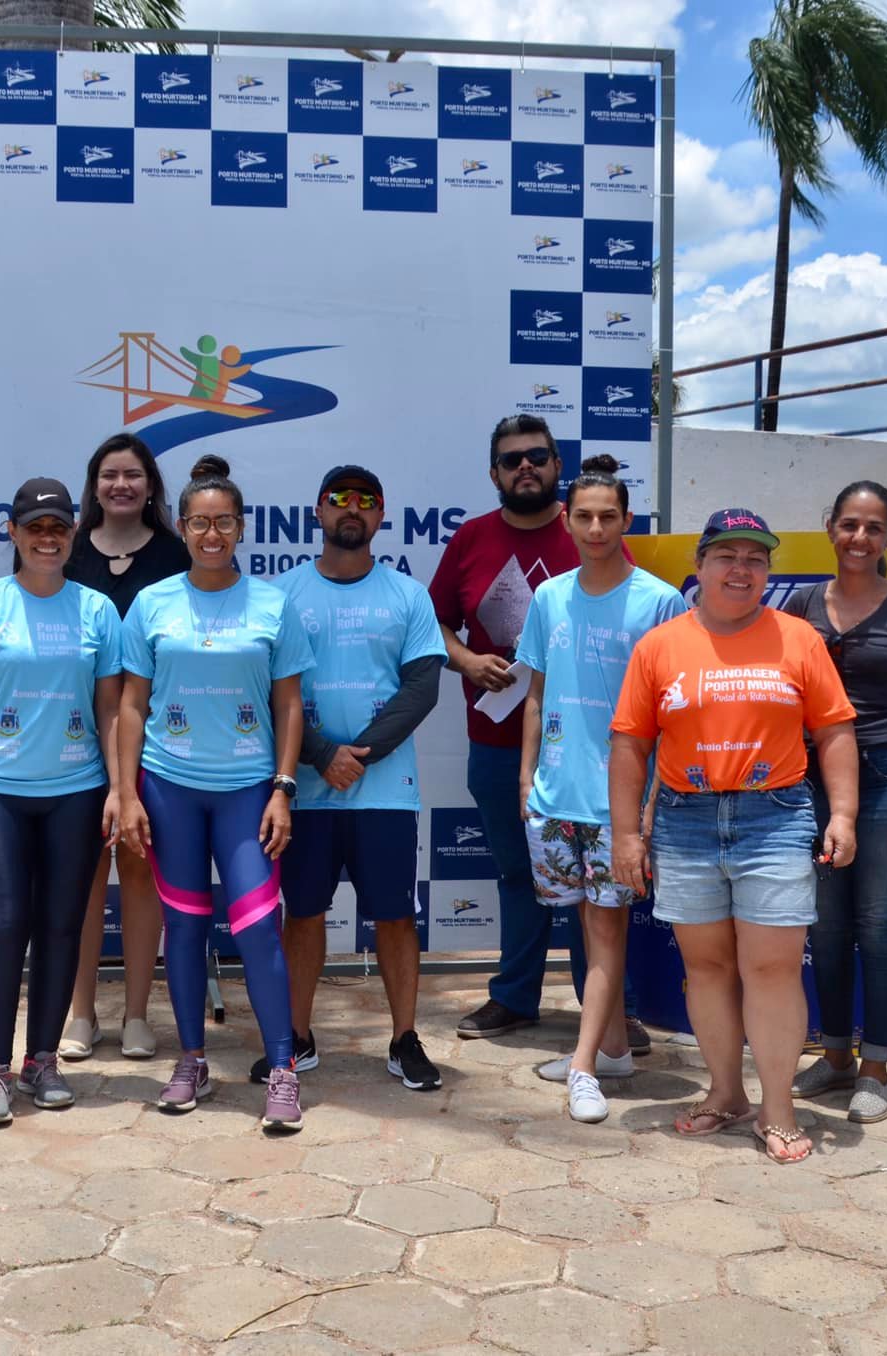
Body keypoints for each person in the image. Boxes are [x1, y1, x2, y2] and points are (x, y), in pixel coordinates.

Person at [609, 508, 858, 1164]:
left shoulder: (799, 639)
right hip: (686, 821)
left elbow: (834, 730)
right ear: (700, 567)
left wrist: (844, 814)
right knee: (708, 968)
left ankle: (778, 1108)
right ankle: (726, 1095)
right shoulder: (660, 646)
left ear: (768, 571)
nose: (741, 569)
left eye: (755, 558)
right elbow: (631, 745)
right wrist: (627, 835)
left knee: (772, 968)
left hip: (774, 817)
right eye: (727, 556)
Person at [430, 414, 645, 1045]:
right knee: (516, 875)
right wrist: (465, 660)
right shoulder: (470, 540)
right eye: (511, 459)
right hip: (496, 744)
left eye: (538, 456)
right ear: (493, 473)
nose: (525, 466)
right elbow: (434, 625)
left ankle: (606, 1011)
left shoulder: (593, 532)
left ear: (557, 466)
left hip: (589, 750)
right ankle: (514, 997)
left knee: (597, 887)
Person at [115, 454, 314, 1133]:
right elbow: (132, 705)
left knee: (259, 930)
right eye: (199, 522)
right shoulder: (152, 602)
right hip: (169, 787)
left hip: (246, 790)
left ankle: (282, 1067)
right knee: (185, 928)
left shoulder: (271, 603)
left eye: (223, 522)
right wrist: (129, 792)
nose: (211, 534)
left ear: (240, 527)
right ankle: (192, 1057)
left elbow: (290, 704)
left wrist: (283, 787)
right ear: (181, 526)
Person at [0, 477, 124, 1124]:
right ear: (13, 534)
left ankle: (40, 1060)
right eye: (34, 527)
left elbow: (110, 711)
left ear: (73, 536)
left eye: (59, 527)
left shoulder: (98, 611)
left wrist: (117, 789)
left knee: (60, 930)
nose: (47, 538)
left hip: (76, 794)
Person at [517, 455, 686, 1123]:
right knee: (588, 925)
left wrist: (645, 810)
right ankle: (612, 1044)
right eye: (583, 516)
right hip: (555, 797)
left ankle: (584, 1065)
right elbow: (535, 694)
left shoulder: (660, 601)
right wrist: (525, 776)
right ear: (567, 519)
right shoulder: (548, 597)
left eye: (607, 516)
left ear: (627, 520)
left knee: (607, 931)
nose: (594, 527)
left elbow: (672, 718)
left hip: (619, 806)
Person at [272, 465, 446, 1091]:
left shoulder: (407, 595)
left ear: (380, 516)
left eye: (366, 502)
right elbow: (270, 688)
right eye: (340, 499)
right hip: (307, 790)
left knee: (396, 917)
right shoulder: (281, 593)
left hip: (385, 792)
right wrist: (322, 754)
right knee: (304, 913)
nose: (353, 510)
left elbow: (423, 685)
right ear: (318, 511)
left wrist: (359, 756)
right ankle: (296, 1036)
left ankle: (404, 1039)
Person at [784, 482, 887, 1123]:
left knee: (879, 927)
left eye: (874, 528)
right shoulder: (798, 605)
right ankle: (834, 1056)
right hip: (812, 778)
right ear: (830, 527)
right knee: (823, 928)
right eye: (849, 524)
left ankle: (876, 1066)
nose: (859, 538)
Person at [60, 433, 191, 1062]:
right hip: (68, 746)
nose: (121, 485)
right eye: (109, 474)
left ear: (150, 486)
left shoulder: (175, 553)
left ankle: (138, 1014)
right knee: (84, 878)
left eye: (132, 475)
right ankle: (80, 1012)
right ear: (93, 485)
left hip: (156, 742)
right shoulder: (64, 549)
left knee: (139, 873)